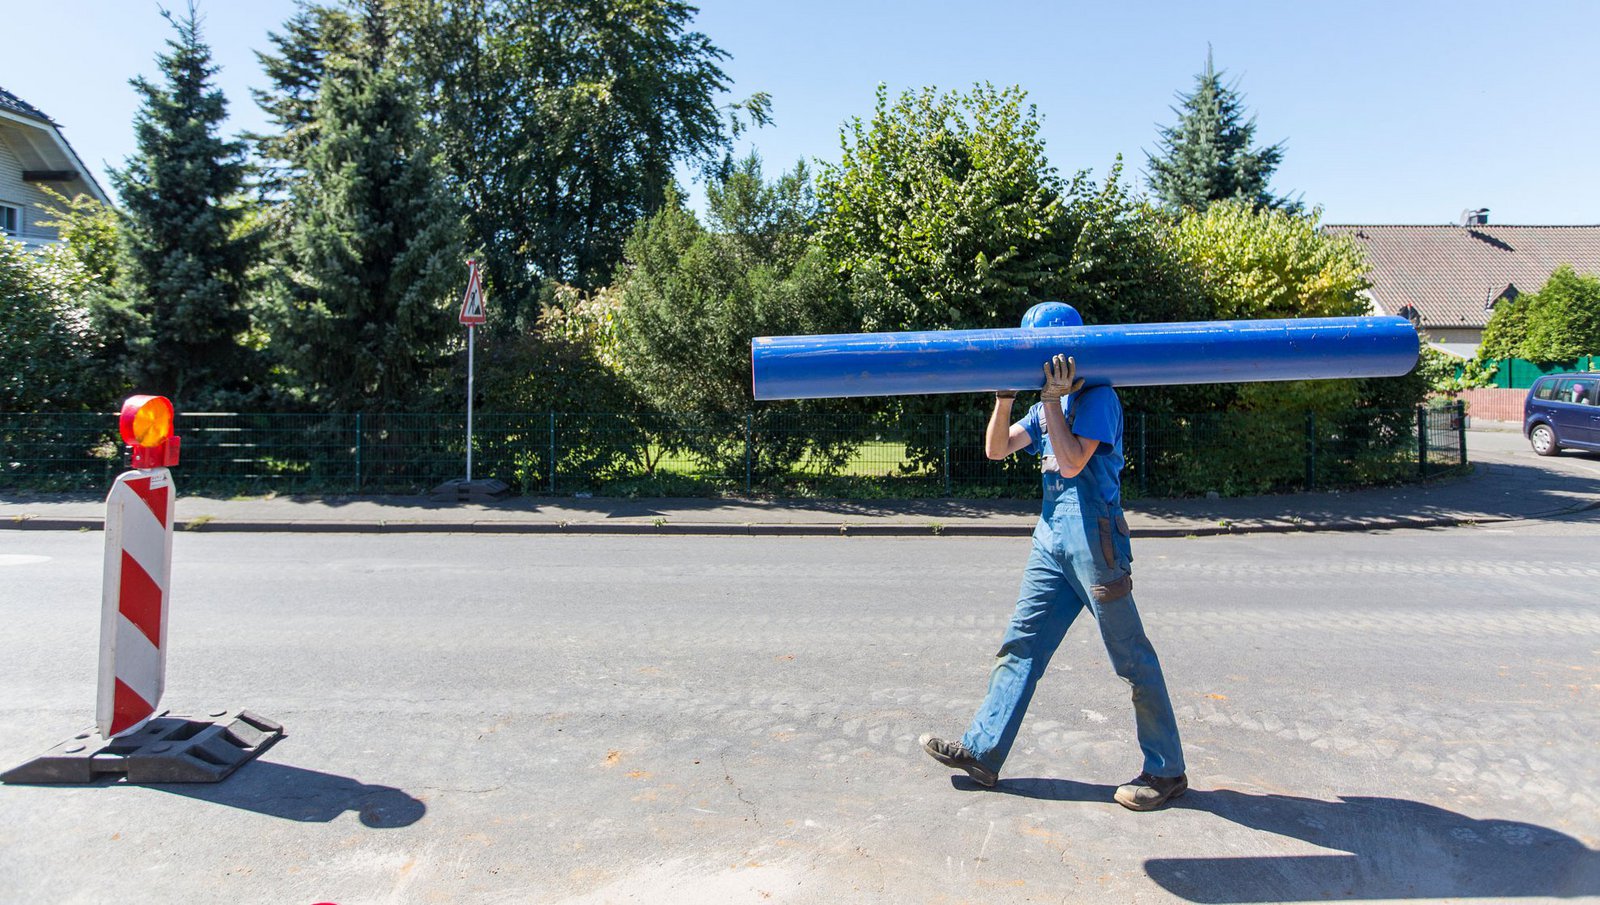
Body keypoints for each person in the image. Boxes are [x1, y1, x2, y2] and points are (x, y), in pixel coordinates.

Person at [919, 338, 1188, 811]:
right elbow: (997, 449)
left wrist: (1049, 402)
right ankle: (983, 751)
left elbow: (1071, 461)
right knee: (1020, 645)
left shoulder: (1098, 397)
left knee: (1131, 657)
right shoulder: (1050, 404)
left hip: (1095, 542)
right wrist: (1004, 398)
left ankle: (1167, 771)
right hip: (1050, 541)